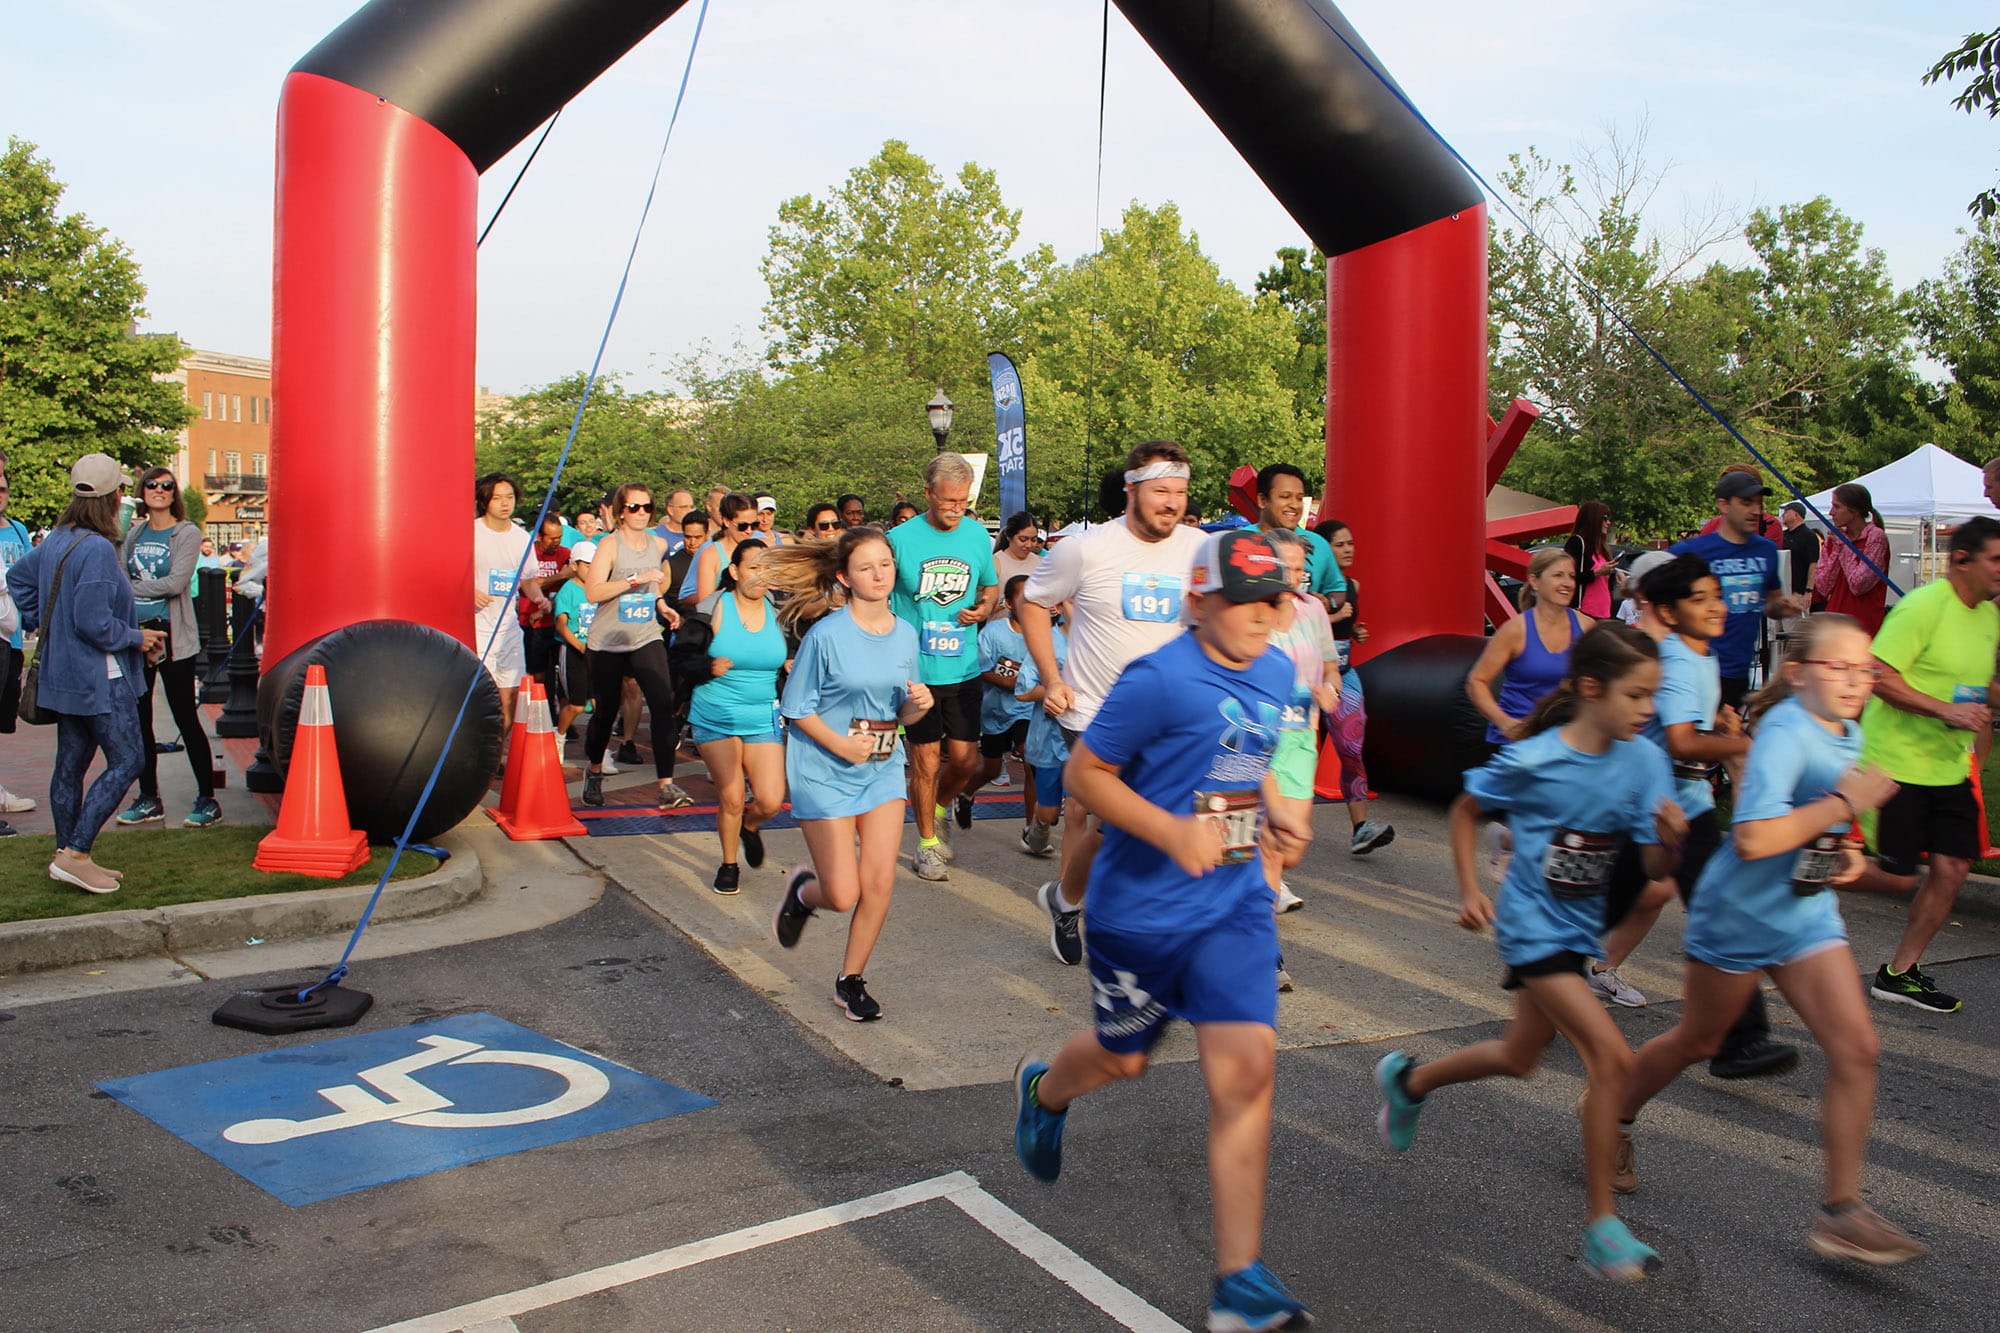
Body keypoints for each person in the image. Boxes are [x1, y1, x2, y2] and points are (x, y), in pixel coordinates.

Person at [1011, 528, 1313, 1330]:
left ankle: (1239, 1279)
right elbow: (1085, 775)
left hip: (1234, 905)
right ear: (1199, 602)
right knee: (1124, 1057)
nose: (1261, 616)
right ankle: (1044, 1092)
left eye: (1274, 600)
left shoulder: (1278, 667)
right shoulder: (1160, 678)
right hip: (1140, 915)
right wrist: (1171, 831)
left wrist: (1277, 808)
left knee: (1247, 1075)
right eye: (1243, 602)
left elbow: (1251, 758)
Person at [1375, 622, 1684, 1282]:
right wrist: (1466, 889)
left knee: (1519, 1057)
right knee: (1611, 1056)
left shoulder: (1644, 760)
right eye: (1636, 695)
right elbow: (1464, 810)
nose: (1647, 710)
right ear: (1591, 689)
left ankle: (1408, 1081)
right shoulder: (1536, 759)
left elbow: (1654, 860)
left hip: (1578, 929)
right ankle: (1603, 1226)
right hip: (1530, 926)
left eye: (1654, 695)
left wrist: (1670, 841)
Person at [1617, 613, 1928, 1265]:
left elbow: (1810, 826)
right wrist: (1845, 803)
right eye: (1838, 667)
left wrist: (1847, 859)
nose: (1855, 680)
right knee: (1699, 1040)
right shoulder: (1785, 732)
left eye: (1865, 669)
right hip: (1739, 912)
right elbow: (1757, 837)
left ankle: (1841, 1211)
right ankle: (1612, 1115)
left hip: (1804, 911)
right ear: (1799, 672)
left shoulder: (1845, 727)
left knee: (1858, 1047)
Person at [1597, 555, 1803, 1073]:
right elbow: (1680, 738)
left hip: (1681, 805)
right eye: (1701, 599)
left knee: (1642, 901)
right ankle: (1739, 1039)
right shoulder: (1679, 662)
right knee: (1712, 907)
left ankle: (1737, 1039)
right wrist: (1735, 742)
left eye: (1717, 596)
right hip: (1653, 807)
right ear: (1668, 610)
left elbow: (1691, 725)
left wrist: (1720, 722)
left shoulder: (1698, 656)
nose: (1717, 606)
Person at [1020, 440, 1206, 964]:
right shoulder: (1085, 548)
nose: (1171, 502)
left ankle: (1065, 899)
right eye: (1160, 490)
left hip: (1172, 715)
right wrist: (1051, 677)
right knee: (1141, 818)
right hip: (1095, 710)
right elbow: (1032, 605)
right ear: (1131, 489)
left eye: (1180, 491)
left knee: (1123, 823)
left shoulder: (1199, 548)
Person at [766, 527, 930, 1022]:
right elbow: (796, 709)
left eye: (885, 564)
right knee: (842, 893)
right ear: (844, 577)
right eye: (866, 567)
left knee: (879, 883)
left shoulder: (905, 632)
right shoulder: (826, 635)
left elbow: (901, 714)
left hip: (881, 768)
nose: (879, 575)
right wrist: (841, 744)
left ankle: (851, 979)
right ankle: (803, 892)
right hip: (824, 768)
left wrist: (918, 705)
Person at [6, 455, 167, 893]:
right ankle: (76, 853)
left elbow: (18, 579)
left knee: (70, 765)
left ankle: (68, 854)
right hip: (101, 676)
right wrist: (138, 637)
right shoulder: (96, 548)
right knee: (129, 759)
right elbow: (93, 623)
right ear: (115, 497)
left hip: (65, 673)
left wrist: (44, 619)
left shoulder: (59, 538)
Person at [1861, 516, 2000, 1014]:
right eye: (1996, 560)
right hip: (1895, 762)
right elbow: (1877, 675)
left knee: (1954, 867)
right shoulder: (1923, 607)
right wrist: (1945, 710)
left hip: (1946, 765)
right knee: (1897, 876)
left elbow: (1973, 684)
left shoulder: (1987, 615)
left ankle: (1898, 973)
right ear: (1961, 559)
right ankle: (1802, 865)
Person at [886, 453, 999, 882]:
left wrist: (984, 608)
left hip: (964, 665)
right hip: (917, 672)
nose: (956, 509)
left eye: (963, 501)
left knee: (967, 762)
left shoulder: (975, 536)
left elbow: (989, 585)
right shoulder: (900, 539)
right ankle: (927, 845)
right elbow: (877, 589)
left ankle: (936, 808)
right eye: (948, 500)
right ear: (929, 494)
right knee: (926, 763)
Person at [116, 466, 221, 828]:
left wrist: (131, 588)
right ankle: (149, 797)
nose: (159, 490)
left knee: (184, 715)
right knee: (139, 718)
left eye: (167, 485)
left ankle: (207, 798)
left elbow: (177, 583)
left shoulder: (185, 533)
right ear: (142, 491)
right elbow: (118, 574)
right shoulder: (134, 532)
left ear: (174, 493)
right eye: (152, 484)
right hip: (136, 634)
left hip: (171, 634)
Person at [679, 542, 787, 894]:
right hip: (716, 714)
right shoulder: (713, 608)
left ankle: (750, 827)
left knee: (771, 800)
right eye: (753, 568)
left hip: (762, 714)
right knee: (732, 796)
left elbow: (801, 650)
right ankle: (729, 865)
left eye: (766, 569)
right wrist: (706, 667)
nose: (760, 577)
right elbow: (680, 659)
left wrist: (792, 666)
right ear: (736, 571)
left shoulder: (780, 610)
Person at [578, 483, 691, 810]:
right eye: (633, 507)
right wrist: (631, 580)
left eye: (646, 507)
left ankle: (666, 785)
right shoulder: (610, 545)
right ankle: (595, 770)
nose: (640, 513)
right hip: (608, 639)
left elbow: (653, 584)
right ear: (620, 512)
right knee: (606, 711)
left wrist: (662, 606)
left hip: (644, 634)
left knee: (661, 702)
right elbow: (593, 592)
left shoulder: (657, 543)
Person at [1671, 469, 1803, 710]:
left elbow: (1771, 603)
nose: (1755, 511)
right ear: (1723, 505)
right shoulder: (1694, 550)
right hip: (1698, 668)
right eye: (1746, 503)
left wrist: (1782, 607)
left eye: (1759, 504)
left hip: (1740, 670)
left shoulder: (1765, 550)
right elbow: (1649, 577)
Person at [1259, 529, 1339, 917]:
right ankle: (1264, 951)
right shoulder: (1250, 609)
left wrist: (1329, 691)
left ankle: (1260, 883)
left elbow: (1331, 668)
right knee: (1269, 844)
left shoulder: (1314, 611)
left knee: (1290, 848)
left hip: (1301, 736)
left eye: (1298, 569)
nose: (1292, 578)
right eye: (1282, 568)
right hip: (1254, 738)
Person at [1318, 518, 1394, 855]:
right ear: (1322, 550)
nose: (1349, 550)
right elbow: (1298, 621)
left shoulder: (1353, 586)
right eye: (1340, 544)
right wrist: (1333, 617)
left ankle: (1361, 829)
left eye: (1351, 543)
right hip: (1306, 674)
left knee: (1351, 747)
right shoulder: (1308, 588)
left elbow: (1344, 631)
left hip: (1344, 673)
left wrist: (1354, 632)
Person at [1466, 548, 1591, 744]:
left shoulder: (1586, 626)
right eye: (1558, 575)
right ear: (1535, 581)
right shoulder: (1516, 630)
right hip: (1519, 741)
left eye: (1572, 576)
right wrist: (1505, 723)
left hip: (1565, 740)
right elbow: (1477, 681)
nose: (1568, 583)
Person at [965, 575, 1037, 835]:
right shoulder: (994, 633)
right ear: (1008, 603)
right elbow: (979, 669)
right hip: (995, 711)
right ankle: (965, 793)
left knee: (1031, 761)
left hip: (1027, 709)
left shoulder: (1042, 632)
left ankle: (1032, 830)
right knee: (991, 768)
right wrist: (1009, 682)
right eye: (1024, 597)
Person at [473, 473, 536, 765]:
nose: (504, 503)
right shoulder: (470, 532)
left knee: (509, 696)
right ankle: (480, 754)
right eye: (497, 498)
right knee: (485, 696)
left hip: (509, 626)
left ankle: (495, 755)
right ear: (485, 501)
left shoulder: (522, 538)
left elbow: (528, 580)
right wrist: (469, 591)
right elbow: (446, 572)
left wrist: (539, 599)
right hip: (476, 625)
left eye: (509, 497)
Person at [1012, 617, 1070, 863]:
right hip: (1050, 740)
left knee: (1078, 810)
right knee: (1050, 812)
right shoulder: (1048, 640)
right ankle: (1039, 825)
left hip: (1089, 741)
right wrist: (1055, 691)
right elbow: (1023, 690)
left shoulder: (1103, 638)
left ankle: (1070, 883)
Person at [0, 466, 38, 832]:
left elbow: (29, 574)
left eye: (3, 487)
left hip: (11, 639)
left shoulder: (17, 530)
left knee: (2, 719)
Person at [1253, 463, 1345, 614]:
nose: (1294, 505)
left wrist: (1329, 603)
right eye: (1285, 497)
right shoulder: (1239, 541)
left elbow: (1337, 589)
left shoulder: (1319, 544)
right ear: (1262, 500)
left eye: (1299, 498)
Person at [1813, 483, 1890, 636]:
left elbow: (1858, 585)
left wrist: (1844, 547)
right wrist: (1836, 548)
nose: (1831, 512)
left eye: (1837, 507)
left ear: (1854, 511)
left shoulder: (1875, 538)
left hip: (1862, 627)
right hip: (1834, 622)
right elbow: (1823, 586)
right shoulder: (1836, 537)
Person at [519, 513, 572, 711]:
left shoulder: (566, 554)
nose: (556, 542)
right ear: (539, 536)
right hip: (533, 623)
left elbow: (571, 578)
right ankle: (542, 710)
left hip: (559, 622)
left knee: (561, 673)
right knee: (538, 673)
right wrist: (559, 576)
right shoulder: (529, 554)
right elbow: (530, 583)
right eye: (551, 537)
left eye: (559, 537)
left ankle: (561, 712)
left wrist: (554, 580)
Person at [550, 540, 597, 755]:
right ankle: (559, 737)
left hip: (597, 652)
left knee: (601, 705)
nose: (591, 569)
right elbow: (561, 623)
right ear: (575, 565)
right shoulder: (568, 591)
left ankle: (600, 750)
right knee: (577, 705)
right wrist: (578, 645)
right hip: (573, 652)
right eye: (587, 564)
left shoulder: (599, 589)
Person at [689, 493, 759, 604]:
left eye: (754, 525)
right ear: (726, 521)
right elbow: (705, 603)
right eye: (742, 526)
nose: (749, 531)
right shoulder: (710, 555)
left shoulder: (761, 548)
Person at [1563, 501, 1620, 620]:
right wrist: (1596, 573)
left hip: (1604, 611)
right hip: (1585, 611)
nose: (1608, 522)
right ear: (1593, 519)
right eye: (1604, 518)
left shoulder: (1603, 548)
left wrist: (1615, 574)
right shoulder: (1577, 543)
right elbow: (1569, 576)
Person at [665, 510, 709, 621]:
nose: (692, 542)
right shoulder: (670, 564)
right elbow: (656, 597)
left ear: (707, 534)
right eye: (688, 537)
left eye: (698, 537)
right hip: (684, 628)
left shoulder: (715, 558)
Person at [992, 512, 1044, 593]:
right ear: (1009, 537)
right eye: (1023, 539)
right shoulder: (995, 563)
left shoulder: (1041, 562)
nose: (1029, 545)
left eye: (1033, 540)